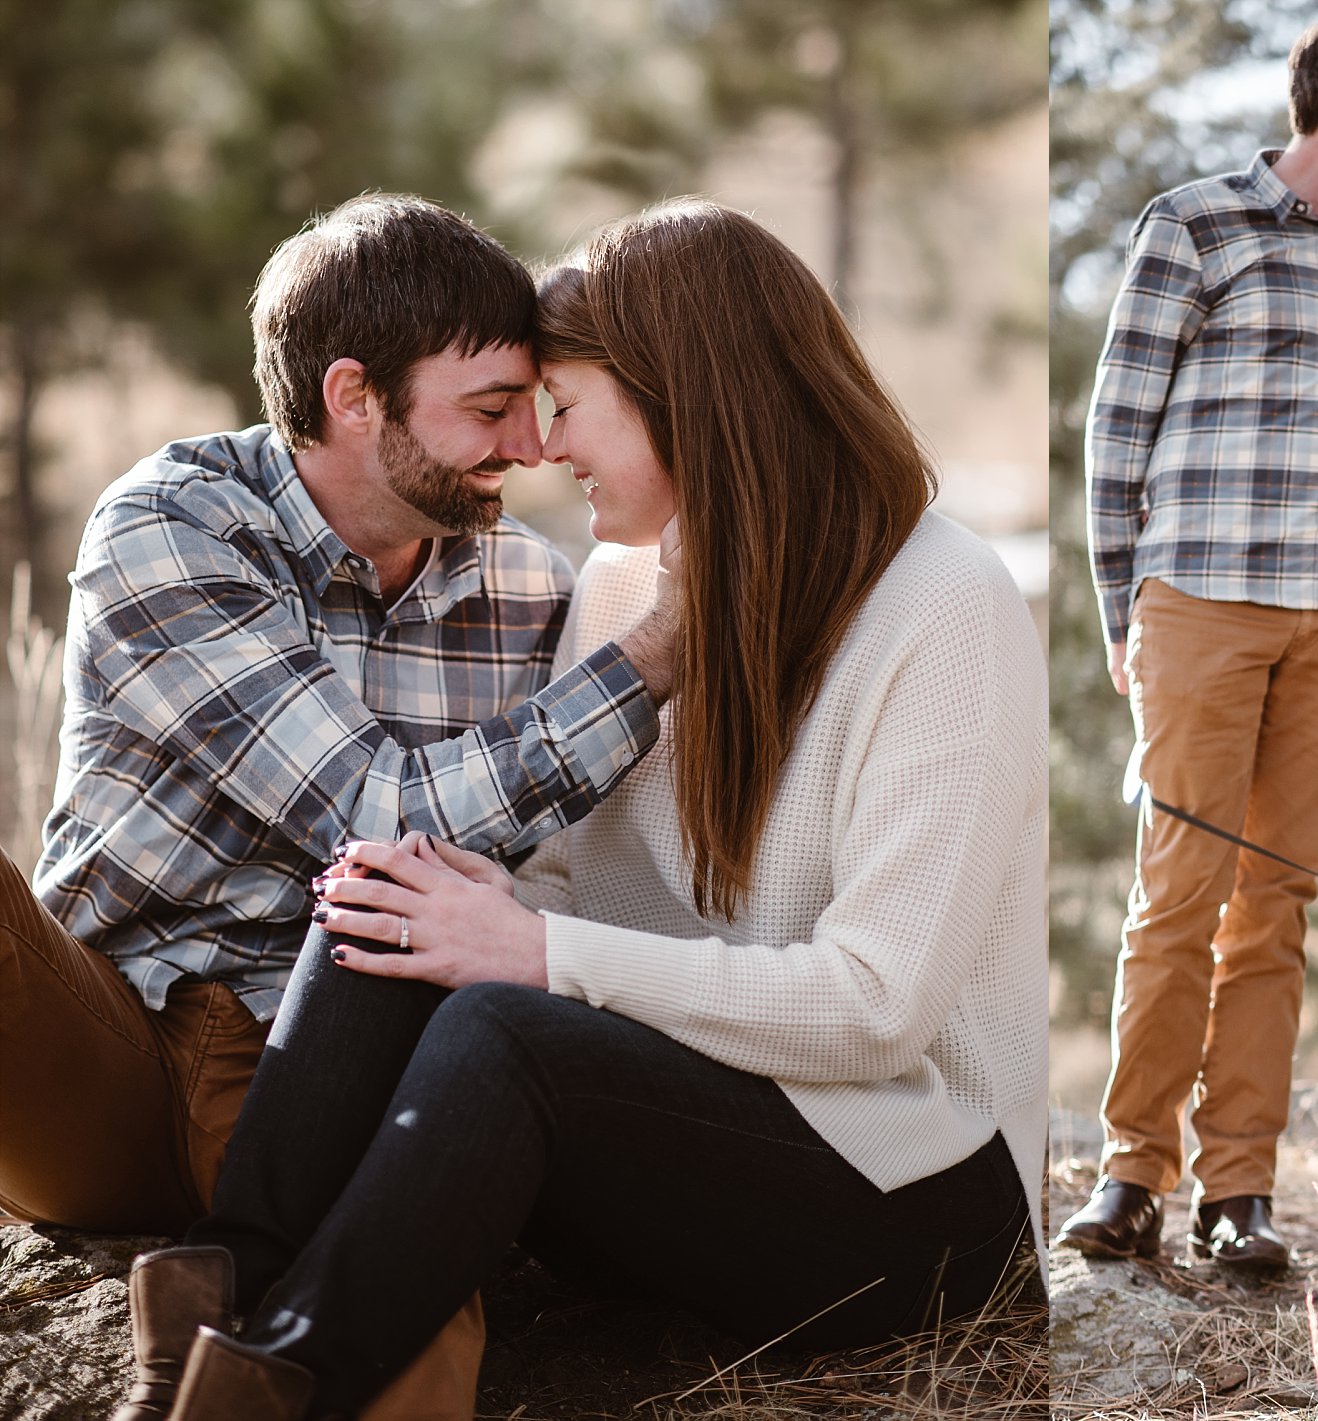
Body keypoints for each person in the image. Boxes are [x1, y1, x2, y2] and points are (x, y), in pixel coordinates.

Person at [133, 199, 1049, 1421]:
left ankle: (284, 1381)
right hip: (690, 1107)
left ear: (687, 394)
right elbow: (562, 881)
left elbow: (875, 1009)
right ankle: (222, 1284)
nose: (543, 448)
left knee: (503, 1021)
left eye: (566, 404)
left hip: (910, 1182)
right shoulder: (627, 585)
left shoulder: (941, 604)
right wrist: (488, 910)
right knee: (398, 883)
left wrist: (542, 952)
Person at [0, 194, 675, 1421]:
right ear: (353, 394)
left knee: (399, 1307)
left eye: (533, 405)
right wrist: (650, 663)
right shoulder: (174, 522)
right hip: (104, 1045)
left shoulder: (533, 588)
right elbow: (372, 803)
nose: (528, 446)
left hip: (312, 1061)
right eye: (486, 408)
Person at [1058, 8, 1318, 1273]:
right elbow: (1116, 433)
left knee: (1272, 907)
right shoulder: (1192, 223)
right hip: (1201, 603)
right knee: (1177, 889)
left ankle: (1241, 1189)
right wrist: (1126, 611)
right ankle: (1130, 1173)